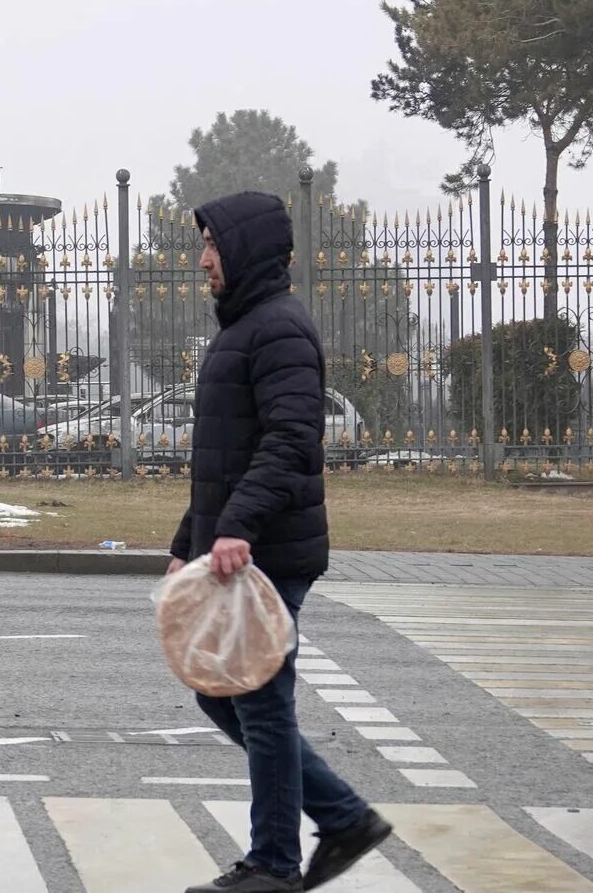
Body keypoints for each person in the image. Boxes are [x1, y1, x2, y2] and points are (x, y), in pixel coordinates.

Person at [171, 192, 392, 893]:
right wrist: (190, 536)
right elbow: (223, 456)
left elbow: (292, 440)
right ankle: (344, 816)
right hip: (240, 546)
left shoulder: (279, 330)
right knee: (221, 695)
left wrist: (236, 527)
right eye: (203, 245)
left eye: (212, 245)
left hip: (270, 551)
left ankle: (273, 861)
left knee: (260, 702)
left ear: (246, 250)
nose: (204, 259)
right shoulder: (245, 327)